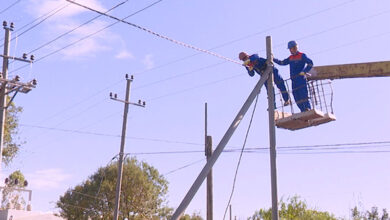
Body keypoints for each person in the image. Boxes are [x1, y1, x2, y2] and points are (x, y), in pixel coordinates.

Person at [273, 40, 313, 112]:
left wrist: (304, 71)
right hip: (293, 80)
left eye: (291, 49)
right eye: (290, 49)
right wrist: (273, 59)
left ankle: (308, 108)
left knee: (303, 94)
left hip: (301, 79)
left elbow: (310, 63)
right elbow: (282, 62)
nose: (290, 51)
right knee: (296, 96)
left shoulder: (302, 55)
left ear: (295, 48)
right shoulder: (290, 58)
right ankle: (302, 110)